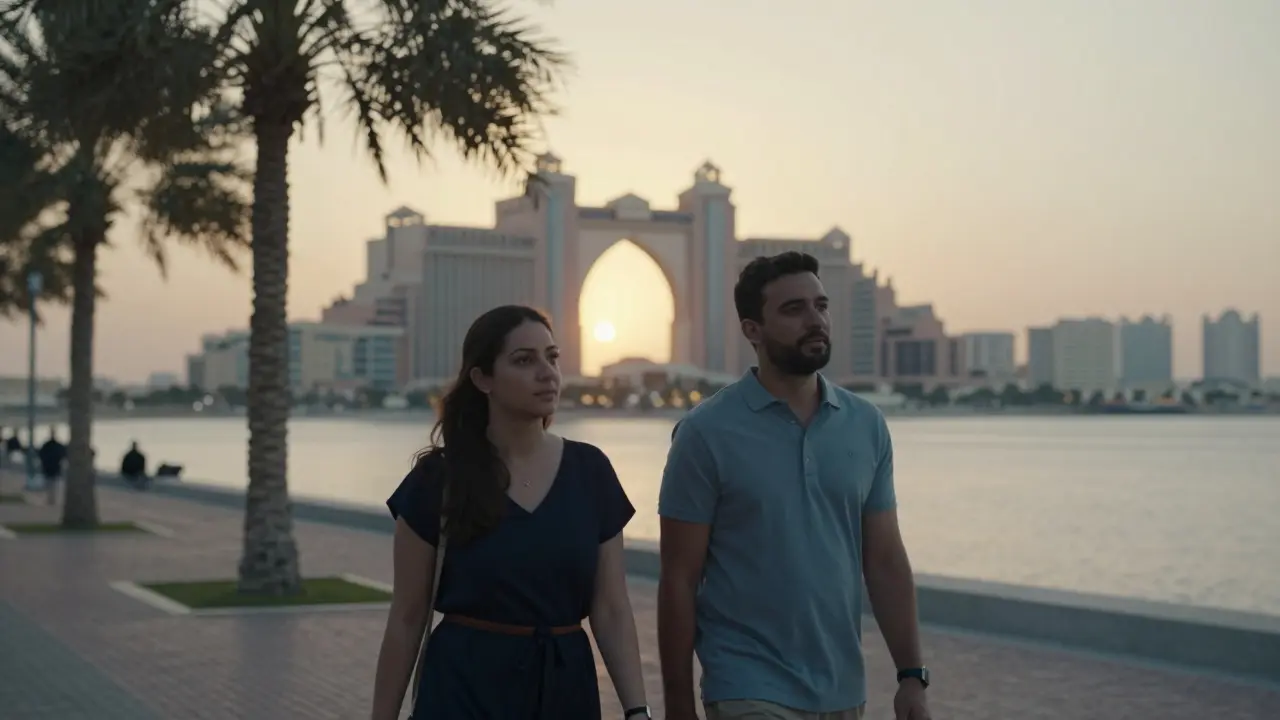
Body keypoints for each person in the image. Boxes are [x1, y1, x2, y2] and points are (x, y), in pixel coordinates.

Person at [657, 252, 933, 720]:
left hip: (841, 687)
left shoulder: (865, 425)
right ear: (753, 330)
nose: (815, 320)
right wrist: (679, 704)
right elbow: (680, 579)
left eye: (820, 306)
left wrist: (911, 676)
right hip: (746, 681)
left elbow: (885, 560)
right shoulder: (705, 433)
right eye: (793, 309)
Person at [371, 305, 650, 720]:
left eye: (552, 357)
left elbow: (611, 608)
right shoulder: (438, 480)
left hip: (564, 692)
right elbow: (407, 617)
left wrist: (637, 711)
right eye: (524, 360)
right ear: (482, 379)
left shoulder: (590, 471)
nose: (547, 373)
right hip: (462, 694)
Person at [37, 427, 67, 506]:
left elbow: (40, 454)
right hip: (55, 467)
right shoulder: (58, 446)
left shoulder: (46, 445)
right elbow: (64, 455)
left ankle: (50, 499)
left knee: (49, 484)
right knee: (54, 485)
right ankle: (52, 499)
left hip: (47, 467)